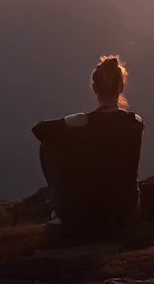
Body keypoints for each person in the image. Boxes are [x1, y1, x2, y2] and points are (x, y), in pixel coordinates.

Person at [32, 55, 143, 231]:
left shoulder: (84, 123)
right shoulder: (135, 122)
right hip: (124, 214)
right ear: (121, 87)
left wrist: (68, 121)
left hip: (80, 216)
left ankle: (57, 203)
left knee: (49, 143)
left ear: (94, 88)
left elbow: (39, 131)